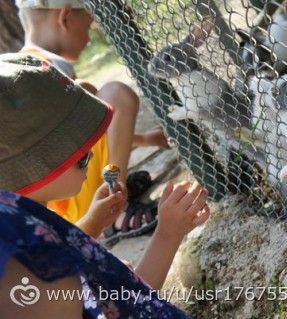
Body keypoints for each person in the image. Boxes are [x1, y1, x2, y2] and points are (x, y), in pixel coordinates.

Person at [0, 53, 209, 318]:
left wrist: (92, 225)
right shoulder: (26, 270)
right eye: (83, 158)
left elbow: (124, 300)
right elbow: (131, 303)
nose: (93, 156)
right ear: (32, 173)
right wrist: (167, 234)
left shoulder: (26, 230)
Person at [15, 0, 170, 240]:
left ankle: (110, 191)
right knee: (116, 95)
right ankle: (115, 208)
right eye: (88, 26)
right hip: (68, 208)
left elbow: (85, 136)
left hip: (57, 206)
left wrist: (147, 139)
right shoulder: (48, 71)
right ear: (65, 18)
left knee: (90, 98)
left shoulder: (25, 70)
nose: (89, 39)